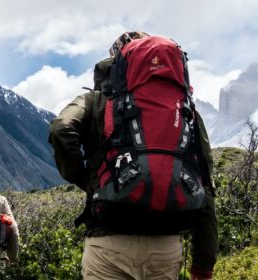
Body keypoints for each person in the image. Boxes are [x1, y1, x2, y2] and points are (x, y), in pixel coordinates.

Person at [49, 32, 218, 280]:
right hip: (167, 247)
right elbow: (204, 180)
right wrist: (204, 262)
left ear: (116, 62)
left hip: (109, 242)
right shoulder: (184, 109)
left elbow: (61, 129)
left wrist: (86, 181)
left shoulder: (96, 100)